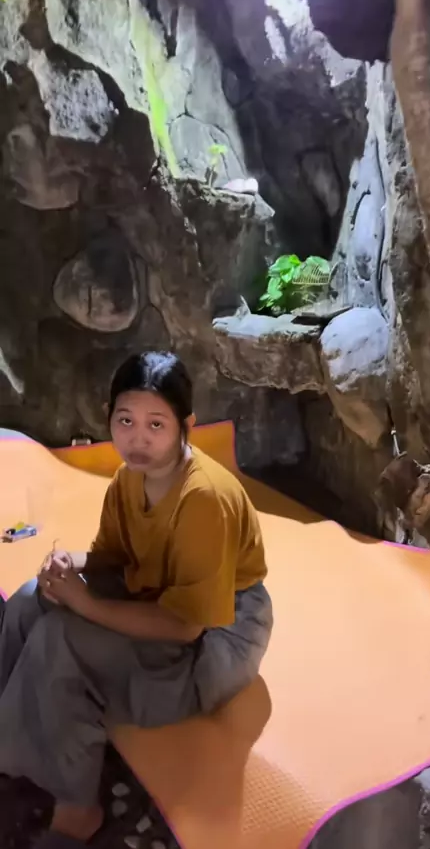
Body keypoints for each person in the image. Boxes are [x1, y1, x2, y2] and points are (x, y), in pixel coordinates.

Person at [0, 352, 273, 849]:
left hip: (219, 635)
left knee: (62, 638)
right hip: (157, 590)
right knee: (28, 600)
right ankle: (14, 736)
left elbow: (185, 626)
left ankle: (77, 807)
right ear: (109, 417)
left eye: (156, 425)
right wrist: (70, 565)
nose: (137, 439)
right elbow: (113, 556)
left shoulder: (203, 499)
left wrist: (85, 604)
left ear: (186, 426)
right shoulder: (129, 479)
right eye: (125, 421)